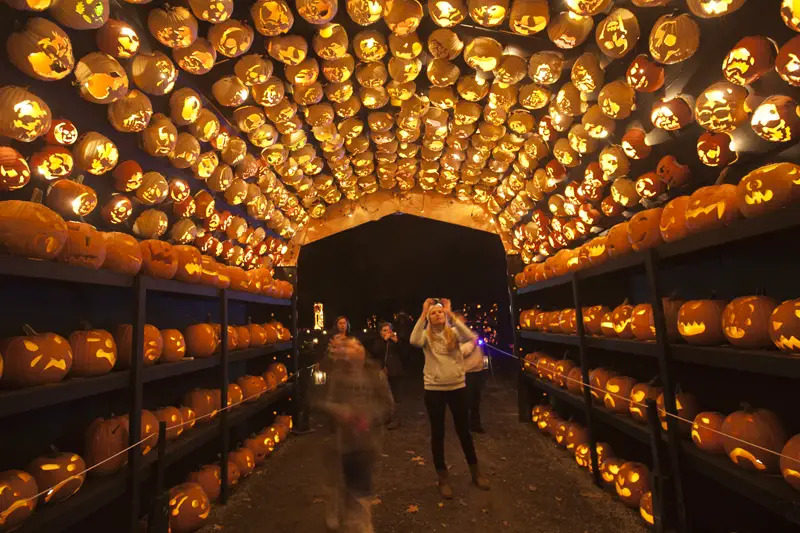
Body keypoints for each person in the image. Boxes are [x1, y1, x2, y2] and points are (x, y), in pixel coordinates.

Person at [410, 298, 490, 499]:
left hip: (457, 387)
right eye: (433, 313)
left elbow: (469, 335)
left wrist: (451, 313)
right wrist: (422, 312)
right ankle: (442, 478)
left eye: (440, 312)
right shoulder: (426, 338)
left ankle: (475, 472)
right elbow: (413, 340)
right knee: (438, 434)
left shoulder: (453, 333)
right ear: (429, 318)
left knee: (464, 431)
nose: (437, 315)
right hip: (434, 388)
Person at [316, 336, 393, 533]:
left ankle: (361, 524)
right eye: (349, 346)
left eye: (358, 344)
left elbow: (387, 405)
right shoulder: (335, 375)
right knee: (337, 484)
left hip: (364, 444)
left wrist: (370, 416)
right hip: (338, 443)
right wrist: (338, 410)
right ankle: (336, 509)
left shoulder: (375, 375)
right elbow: (320, 401)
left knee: (360, 489)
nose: (354, 348)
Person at [455, 313, 487, 433]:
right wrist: (472, 344)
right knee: (466, 400)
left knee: (475, 400)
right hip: (466, 372)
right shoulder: (455, 336)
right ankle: (463, 425)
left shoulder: (472, 333)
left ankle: (475, 424)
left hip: (478, 371)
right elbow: (459, 353)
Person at [368, 322, 404, 429]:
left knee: (395, 395)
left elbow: (405, 354)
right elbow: (375, 352)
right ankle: (384, 417)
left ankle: (395, 419)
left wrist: (397, 342)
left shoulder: (397, 341)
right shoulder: (378, 342)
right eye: (384, 330)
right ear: (380, 332)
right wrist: (384, 341)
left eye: (389, 330)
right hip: (382, 372)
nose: (387, 332)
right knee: (383, 396)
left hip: (395, 371)